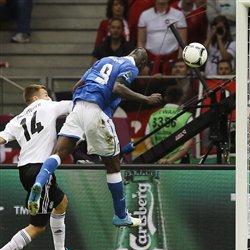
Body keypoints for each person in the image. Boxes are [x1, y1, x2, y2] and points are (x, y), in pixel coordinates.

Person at [29, 48, 162, 227]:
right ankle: (121, 215)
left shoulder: (106, 58)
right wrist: (145, 99)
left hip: (78, 106)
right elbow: (118, 87)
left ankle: (39, 182)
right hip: (95, 109)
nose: (139, 51)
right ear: (142, 63)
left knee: (59, 153)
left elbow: (77, 86)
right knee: (113, 165)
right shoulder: (131, 67)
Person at [0, 84, 82, 250]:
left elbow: (2, 138)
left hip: (24, 169)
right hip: (42, 169)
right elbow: (77, 105)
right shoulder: (49, 106)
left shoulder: (16, 120)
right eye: (46, 95)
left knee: (61, 202)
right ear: (36, 98)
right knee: (37, 226)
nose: (49, 98)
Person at [144, 85, 193, 164]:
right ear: (182, 98)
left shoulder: (153, 116)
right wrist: (170, 161)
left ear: (166, 98)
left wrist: (158, 159)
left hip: (157, 163)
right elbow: (187, 144)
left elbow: (148, 142)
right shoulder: (187, 116)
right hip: (180, 164)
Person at [137, 0, 187, 75]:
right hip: (150, 60)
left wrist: (179, 61)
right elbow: (141, 42)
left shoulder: (178, 14)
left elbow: (183, 42)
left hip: (172, 60)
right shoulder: (145, 15)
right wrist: (143, 63)